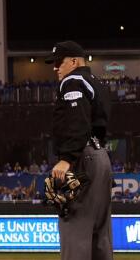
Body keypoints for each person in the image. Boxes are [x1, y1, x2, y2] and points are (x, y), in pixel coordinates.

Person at [46, 40, 113, 260]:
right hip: (100, 155)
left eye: (59, 62)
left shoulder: (72, 80)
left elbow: (78, 121)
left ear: (74, 61)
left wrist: (66, 159)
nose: (55, 68)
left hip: (83, 157)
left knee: (75, 233)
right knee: (99, 236)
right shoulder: (94, 81)